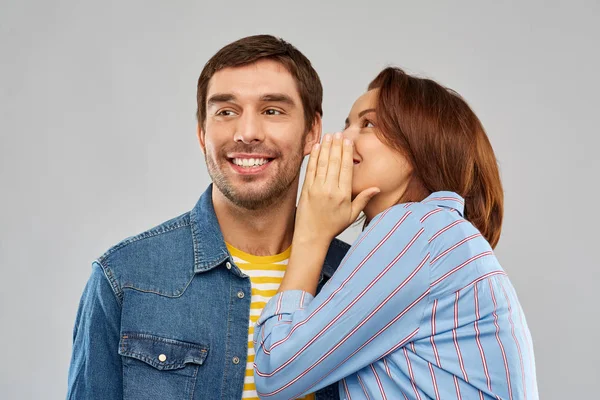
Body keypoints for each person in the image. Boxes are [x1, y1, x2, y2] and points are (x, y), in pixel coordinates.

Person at [67, 35, 350, 400]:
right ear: (202, 132)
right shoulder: (123, 279)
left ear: (312, 131)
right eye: (226, 112)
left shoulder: (358, 278)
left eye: (272, 111)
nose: (247, 133)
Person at [253, 67, 538, 399]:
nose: (341, 139)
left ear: (418, 145)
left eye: (368, 124)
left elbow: (276, 371)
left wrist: (311, 235)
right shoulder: (440, 234)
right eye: (346, 124)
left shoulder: (417, 229)